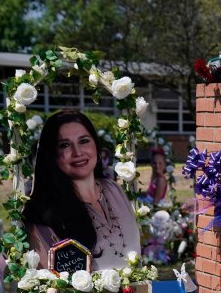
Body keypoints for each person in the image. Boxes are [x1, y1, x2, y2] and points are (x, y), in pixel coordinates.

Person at [23, 109, 140, 271]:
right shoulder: (44, 209)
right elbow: (52, 280)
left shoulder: (114, 189)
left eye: (84, 141)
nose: (77, 152)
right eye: (64, 145)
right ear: (52, 155)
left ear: (96, 147)